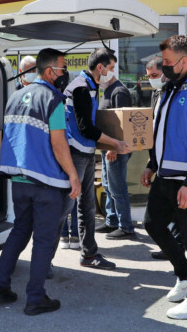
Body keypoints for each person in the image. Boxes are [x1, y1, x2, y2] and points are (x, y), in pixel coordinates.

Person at [0, 48, 82, 316]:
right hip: (46, 181)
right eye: (64, 69)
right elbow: (58, 143)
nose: (66, 74)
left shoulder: (16, 96)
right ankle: (35, 298)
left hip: (19, 179)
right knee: (43, 239)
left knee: (20, 230)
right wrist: (73, 175)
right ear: (51, 71)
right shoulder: (52, 99)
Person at [141, 35, 187, 320]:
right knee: (152, 225)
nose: (164, 67)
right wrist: (151, 163)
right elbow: (161, 131)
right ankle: (184, 277)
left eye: (169, 63)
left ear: (184, 61)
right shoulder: (169, 88)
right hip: (164, 175)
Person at [63, 48, 128, 270]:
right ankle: (44, 261)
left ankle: (89, 254)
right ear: (99, 67)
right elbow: (85, 128)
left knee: (86, 207)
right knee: (65, 207)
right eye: (110, 68)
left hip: (85, 153)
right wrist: (115, 143)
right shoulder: (81, 88)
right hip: (77, 154)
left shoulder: (89, 86)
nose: (112, 73)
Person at [93, 50, 135, 240]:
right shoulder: (107, 90)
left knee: (117, 187)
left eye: (112, 68)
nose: (111, 71)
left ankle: (126, 226)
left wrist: (114, 148)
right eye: (109, 67)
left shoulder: (119, 91)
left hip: (115, 149)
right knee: (108, 186)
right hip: (107, 148)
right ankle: (112, 221)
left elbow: (122, 123)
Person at [145, 57, 175, 260]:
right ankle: (173, 249)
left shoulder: (175, 94)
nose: (152, 80)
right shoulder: (157, 94)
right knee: (154, 219)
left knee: (176, 214)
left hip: (175, 164)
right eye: (148, 77)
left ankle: (177, 252)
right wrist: (151, 165)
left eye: (155, 76)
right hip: (160, 163)